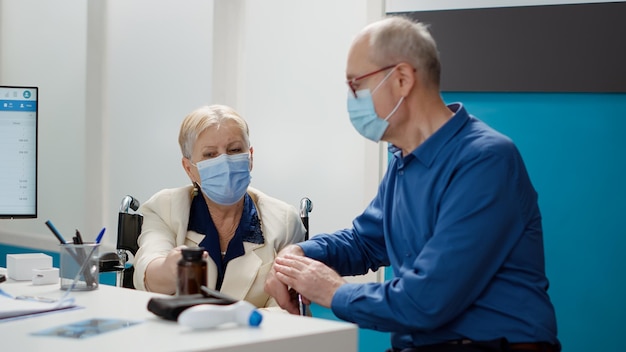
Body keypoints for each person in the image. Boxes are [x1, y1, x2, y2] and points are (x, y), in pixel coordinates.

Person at [264, 16, 561, 351]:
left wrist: (331, 291)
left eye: (355, 84)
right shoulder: (405, 161)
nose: (351, 99)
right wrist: (300, 255)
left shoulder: (486, 161)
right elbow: (365, 242)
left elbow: (426, 300)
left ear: (402, 79)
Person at [134, 104, 306, 310]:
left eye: (234, 150)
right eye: (210, 155)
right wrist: (171, 269)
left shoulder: (284, 221)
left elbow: (285, 310)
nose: (224, 162)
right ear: (189, 168)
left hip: (252, 338)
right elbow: (147, 273)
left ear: (250, 157)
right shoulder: (164, 208)